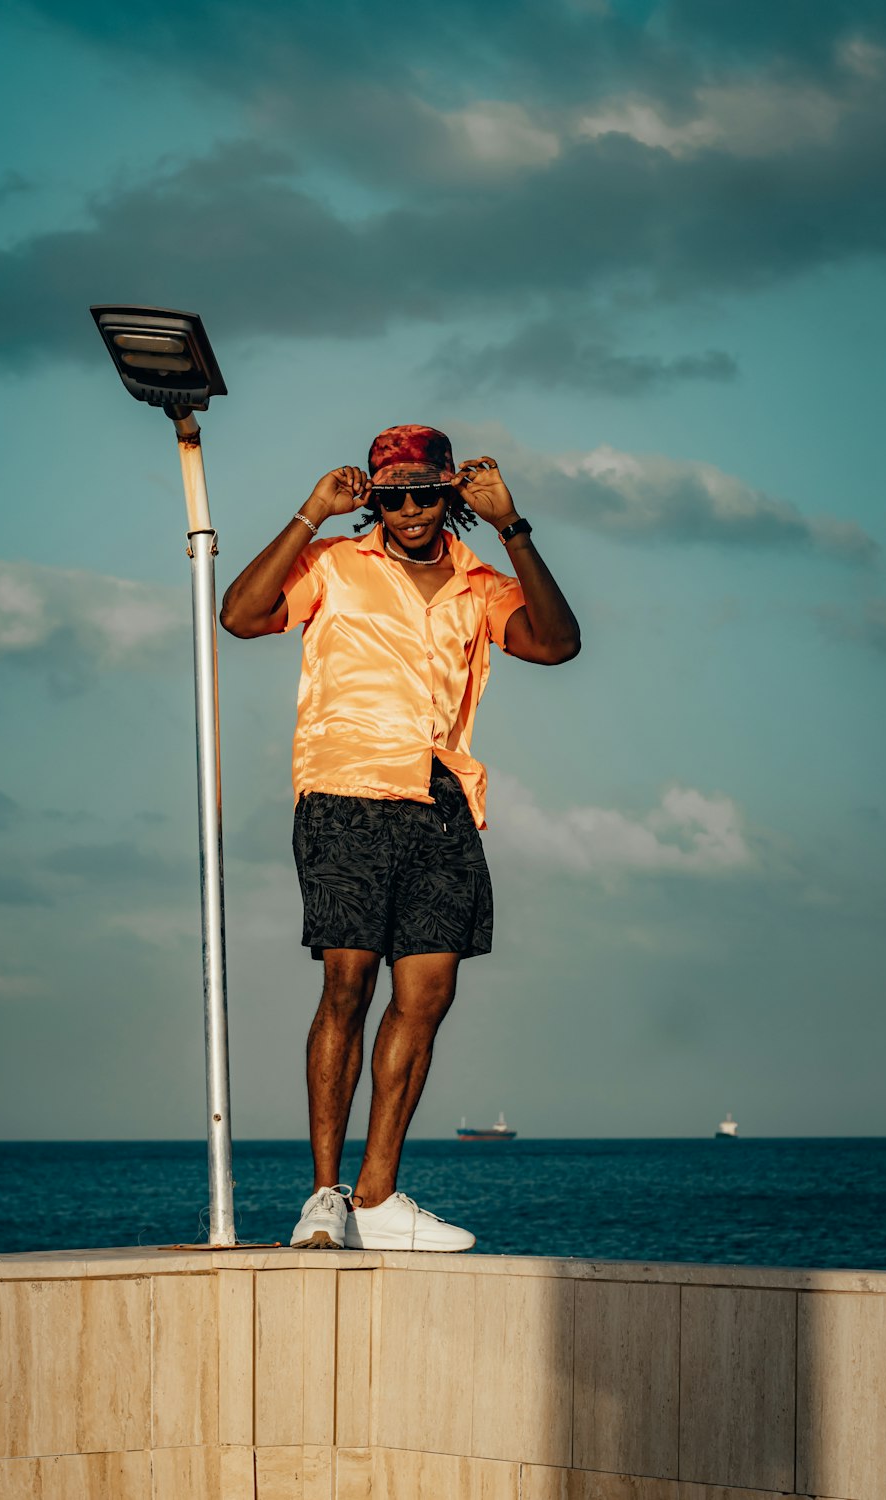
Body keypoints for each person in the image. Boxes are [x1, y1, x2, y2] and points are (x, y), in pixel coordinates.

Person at [220, 424, 580, 1250]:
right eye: (393, 495)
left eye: (426, 493)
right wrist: (312, 512)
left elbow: (557, 644)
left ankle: (377, 1199)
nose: (411, 509)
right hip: (346, 791)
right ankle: (325, 1196)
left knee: (426, 999)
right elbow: (240, 616)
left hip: (441, 800)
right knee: (346, 985)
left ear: (451, 494)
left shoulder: (480, 584)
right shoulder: (335, 566)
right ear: (374, 500)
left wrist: (513, 527)